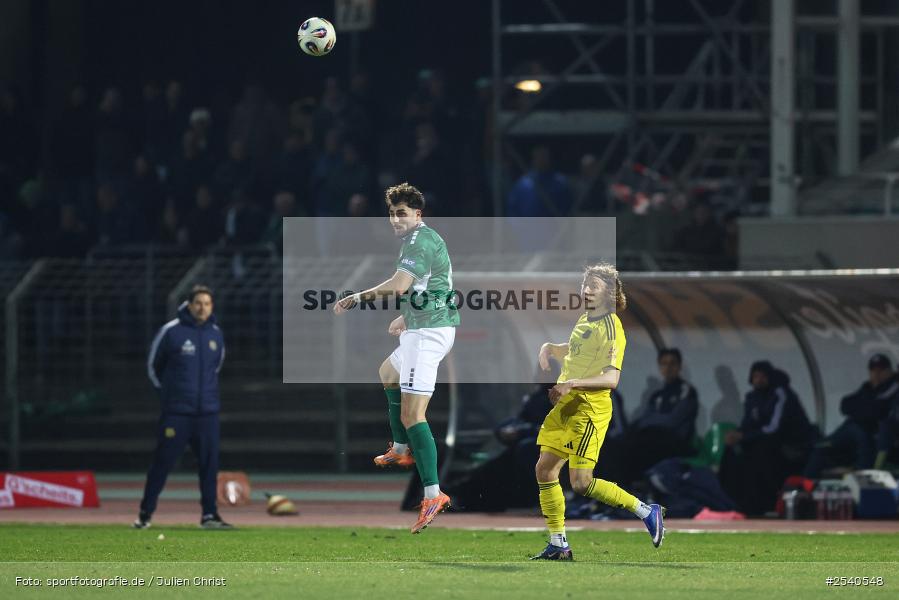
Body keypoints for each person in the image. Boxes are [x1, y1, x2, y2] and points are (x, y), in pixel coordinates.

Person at [333, 183, 459, 534]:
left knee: (412, 413)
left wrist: (356, 297)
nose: (395, 219)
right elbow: (439, 281)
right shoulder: (422, 239)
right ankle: (402, 448)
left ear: (418, 214)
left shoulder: (420, 240)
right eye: (391, 213)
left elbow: (400, 285)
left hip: (429, 335)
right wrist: (409, 315)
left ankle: (433, 494)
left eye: (401, 213)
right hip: (424, 326)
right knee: (388, 371)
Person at [530, 264, 664, 560]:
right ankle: (558, 544)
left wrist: (572, 384)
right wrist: (552, 347)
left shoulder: (612, 326)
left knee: (581, 483)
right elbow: (578, 350)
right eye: (585, 284)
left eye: (594, 285)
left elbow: (611, 378)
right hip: (567, 406)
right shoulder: (586, 318)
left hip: (589, 410)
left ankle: (646, 510)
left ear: (610, 293)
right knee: (544, 469)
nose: (587, 289)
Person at [134, 285, 230, 529]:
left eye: (207, 304)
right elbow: (152, 368)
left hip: (207, 413)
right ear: (189, 305)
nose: (202, 308)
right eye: (198, 303)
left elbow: (216, 368)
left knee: (209, 465)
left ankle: (209, 515)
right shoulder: (171, 332)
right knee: (163, 462)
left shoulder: (216, 334)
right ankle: (145, 514)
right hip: (177, 413)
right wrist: (169, 397)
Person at [719, 361, 816, 516]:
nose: (759, 380)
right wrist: (736, 435)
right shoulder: (752, 398)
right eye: (755, 376)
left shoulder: (780, 393)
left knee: (760, 452)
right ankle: (729, 502)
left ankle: (762, 504)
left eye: (763, 376)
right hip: (762, 441)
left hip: (789, 445)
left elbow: (774, 427)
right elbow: (747, 424)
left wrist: (744, 436)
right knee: (732, 452)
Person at [596, 348, 698, 488]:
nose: (668, 368)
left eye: (672, 363)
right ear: (660, 368)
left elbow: (672, 421)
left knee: (635, 447)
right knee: (613, 445)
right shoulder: (657, 395)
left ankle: (624, 491)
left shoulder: (686, 391)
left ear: (679, 366)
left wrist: (651, 420)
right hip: (654, 439)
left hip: (675, 442)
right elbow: (644, 418)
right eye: (664, 364)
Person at [804, 354, 897, 477]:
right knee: (822, 447)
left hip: (874, 431)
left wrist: (861, 408)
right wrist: (864, 408)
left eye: (881, 370)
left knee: (860, 433)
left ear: (889, 371)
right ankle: (805, 483)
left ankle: (864, 475)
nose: (876, 374)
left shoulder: (894, 386)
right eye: (873, 370)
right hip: (855, 427)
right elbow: (846, 404)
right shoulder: (867, 387)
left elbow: (878, 409)